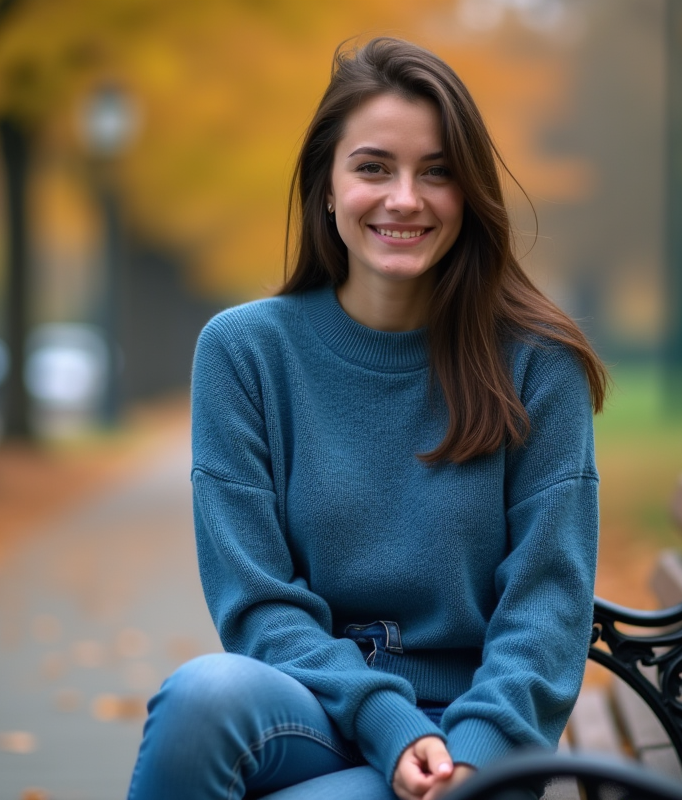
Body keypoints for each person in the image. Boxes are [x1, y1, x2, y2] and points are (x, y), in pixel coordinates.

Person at [125, 36, 608, 800]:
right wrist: (389, 723)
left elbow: (548, 605)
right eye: (374, 167)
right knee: (201, 700)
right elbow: (257, 602)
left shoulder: (536, 365)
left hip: (476, 738)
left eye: (437, 172)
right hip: (318, 707)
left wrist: (470, 752)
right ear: (326, 185)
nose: (405, 198)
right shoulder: (245, 353)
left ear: (468, 194)